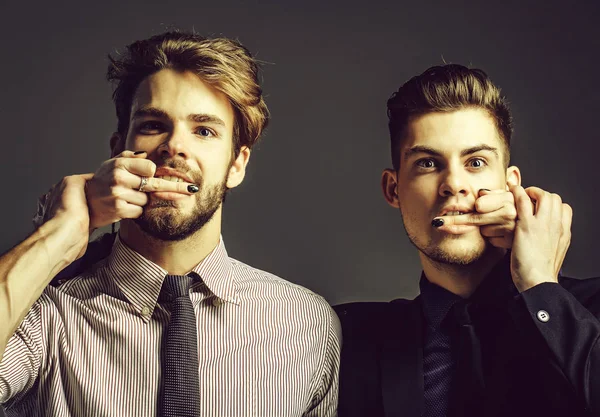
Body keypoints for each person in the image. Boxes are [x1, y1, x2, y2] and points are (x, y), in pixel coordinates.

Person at [0, 31, 340, 416]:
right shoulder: (45, 313)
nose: (174, 146)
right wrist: (57, 236)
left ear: (237, 165)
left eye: (204, 131)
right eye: (152, 125)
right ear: (117, 151)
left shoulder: (306, 323)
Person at [334, 64, 600, 417]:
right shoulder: (347, 338)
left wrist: (538, 283)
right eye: (428, 163)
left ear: (511, 186)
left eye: (475, 162)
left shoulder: (588, 311)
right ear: (393, 189)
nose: (453, 184)